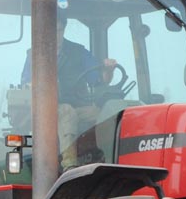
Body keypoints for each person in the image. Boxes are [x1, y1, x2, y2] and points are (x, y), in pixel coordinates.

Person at [20, 9, 116, 167]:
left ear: (63, 29)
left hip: (79, 106)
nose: (55, 35)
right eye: (52, 31)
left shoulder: (79, 52)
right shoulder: (35, 54)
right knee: (66, 112)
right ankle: (69, 164)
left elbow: (99, 80)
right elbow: (26, 83)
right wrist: (35, 85)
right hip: (47, 110)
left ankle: (107, 159)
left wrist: (108, 70)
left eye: (58, 30)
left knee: (106, 114)